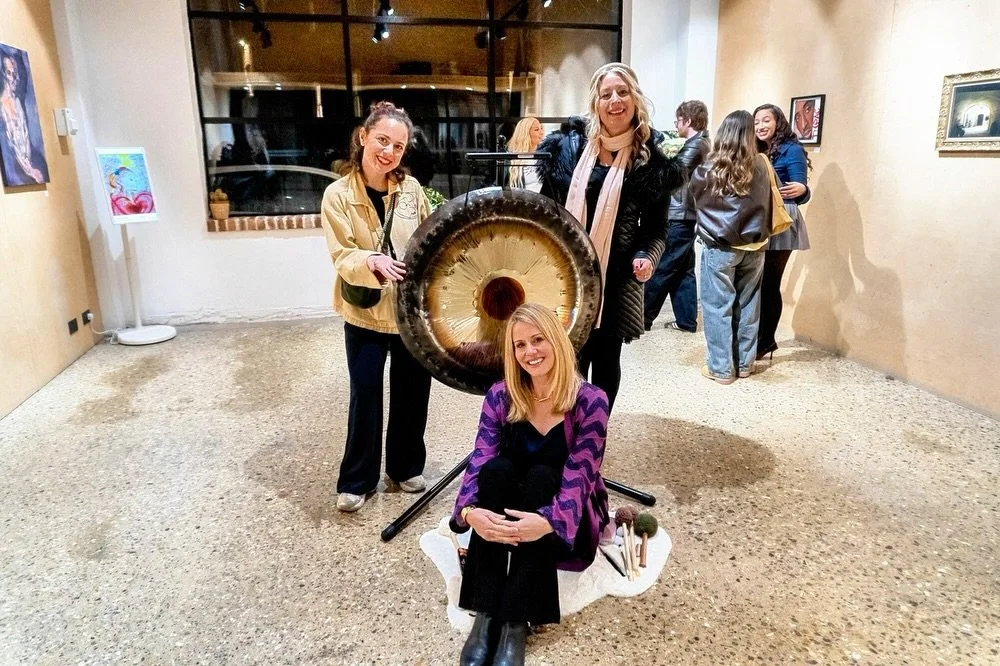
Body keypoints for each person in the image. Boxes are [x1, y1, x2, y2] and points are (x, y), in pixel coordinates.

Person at [450, 303, 611, 666]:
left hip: (559, 506)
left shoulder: (591, 401)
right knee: (496, 472)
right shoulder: (500, 395)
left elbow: (580, 475)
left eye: (538, 340)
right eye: (520, 345)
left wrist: (549, 522)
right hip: (507, 496)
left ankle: (514, 620)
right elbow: (480, 457)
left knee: (541, 478)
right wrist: (470, 511)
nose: (530, 352)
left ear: (556, 340)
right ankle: (486, 612)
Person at [538, 62, 681, 412]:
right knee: (564, 364)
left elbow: (657, 229)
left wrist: (649, 257)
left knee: (604, 363)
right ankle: (561, 441)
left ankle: (593, 441)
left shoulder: (652, 161)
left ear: (635, 98)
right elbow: (545, 213)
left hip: (615, 280)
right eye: (606, 94)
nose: (615, 100)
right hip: (563, 276)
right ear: (595, 102)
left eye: (622, 92)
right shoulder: (566, 149)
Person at [320, 101, 434, 512]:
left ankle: (404, 467)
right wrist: (370, 261)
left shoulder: (411, 190)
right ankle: (357, 479)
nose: (388, 152)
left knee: (412, 392)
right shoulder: (337, 195)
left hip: (407, 312)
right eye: (382, 140)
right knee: (365, 394)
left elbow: (424, 238)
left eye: (399, 146)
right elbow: (341, 254)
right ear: (363, 137)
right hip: (366, 312)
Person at [689, 110, 774, 384]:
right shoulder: (761, 164)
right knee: (749, 304)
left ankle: (722, 369)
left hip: (720, 247)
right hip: (755, 245)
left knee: (717, 307)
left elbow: (695, 200)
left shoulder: (708, 169)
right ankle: (745, 364)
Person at [643, 99, 711, 333]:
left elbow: (674, 172)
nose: (675, 125)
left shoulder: (697, 144)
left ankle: (642, 318)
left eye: (678, 120)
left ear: (688, 120)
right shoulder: (696, 143)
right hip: (683, 214)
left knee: (662, 266)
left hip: (679, 214)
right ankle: (686, 320)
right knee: (683, 270)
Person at [753, 103, 812, 360]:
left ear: (778, 121)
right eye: (756, 122)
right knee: (754, 282)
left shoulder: (791, 149)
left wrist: (802, 189)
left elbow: (800, 188)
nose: (760, 126)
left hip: (782, 220)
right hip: (759, 218)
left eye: (766, 120)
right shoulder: (755, 148)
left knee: (769, 282)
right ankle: (755, 337)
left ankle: (766, 341)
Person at [0, 52, 47, 184]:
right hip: (16, 170)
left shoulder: (18, 103)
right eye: (9, 73)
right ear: (3, 75)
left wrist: (31, 168)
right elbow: (11, 149)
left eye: (15, 73)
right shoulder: (2, 109)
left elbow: (25, 140)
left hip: (29, 164)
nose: (14, 78)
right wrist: (29, 170)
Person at [505, 117, 545, 192]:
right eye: (536, 129)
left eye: (541, 128)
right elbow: (499, 184)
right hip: (523, 201)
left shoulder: (545, 155)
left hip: (543, 202)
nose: (541, 132)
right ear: (525, 133)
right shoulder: (511, 159)